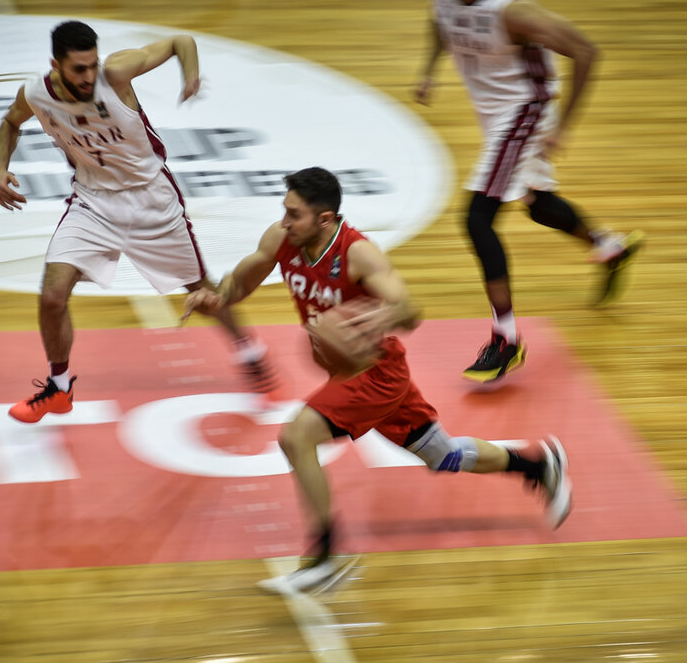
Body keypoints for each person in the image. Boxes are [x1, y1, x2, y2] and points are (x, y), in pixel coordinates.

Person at [183, 167, 572, 593]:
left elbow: (409, 308)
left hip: (374, 374)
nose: (285, 220)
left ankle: (327, 556)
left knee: (296, 438)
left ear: (326, 219)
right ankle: (538, 465)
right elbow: (242, 280)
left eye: (294, 214)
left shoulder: (357, 253)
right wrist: (216, 298)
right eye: (285, 211)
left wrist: (379, 316)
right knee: (443, 455)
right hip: (359, 374)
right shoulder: (282, 239)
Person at [0, 20, 277, 423]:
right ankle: (59, 389)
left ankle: (250, 350)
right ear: (55, 64)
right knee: (52, 296)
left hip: (152, 201)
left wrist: (190, 75)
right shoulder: (36, 93)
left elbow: (182, 41)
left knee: (202, 291)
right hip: (94, 201)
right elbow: (9, 123)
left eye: (92, 65)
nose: (90, 76)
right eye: (79, 69)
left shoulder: (117, 73)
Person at [414, 0, 644, 384]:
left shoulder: (513, 11)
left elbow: (586, 51)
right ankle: (609, 247)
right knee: (538, 204)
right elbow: (440, 22)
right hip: (495, 116)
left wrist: (565, 125)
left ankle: (505, 340)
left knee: (477, 218)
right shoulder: (443, 0)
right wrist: (429, 70)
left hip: (525, 111)